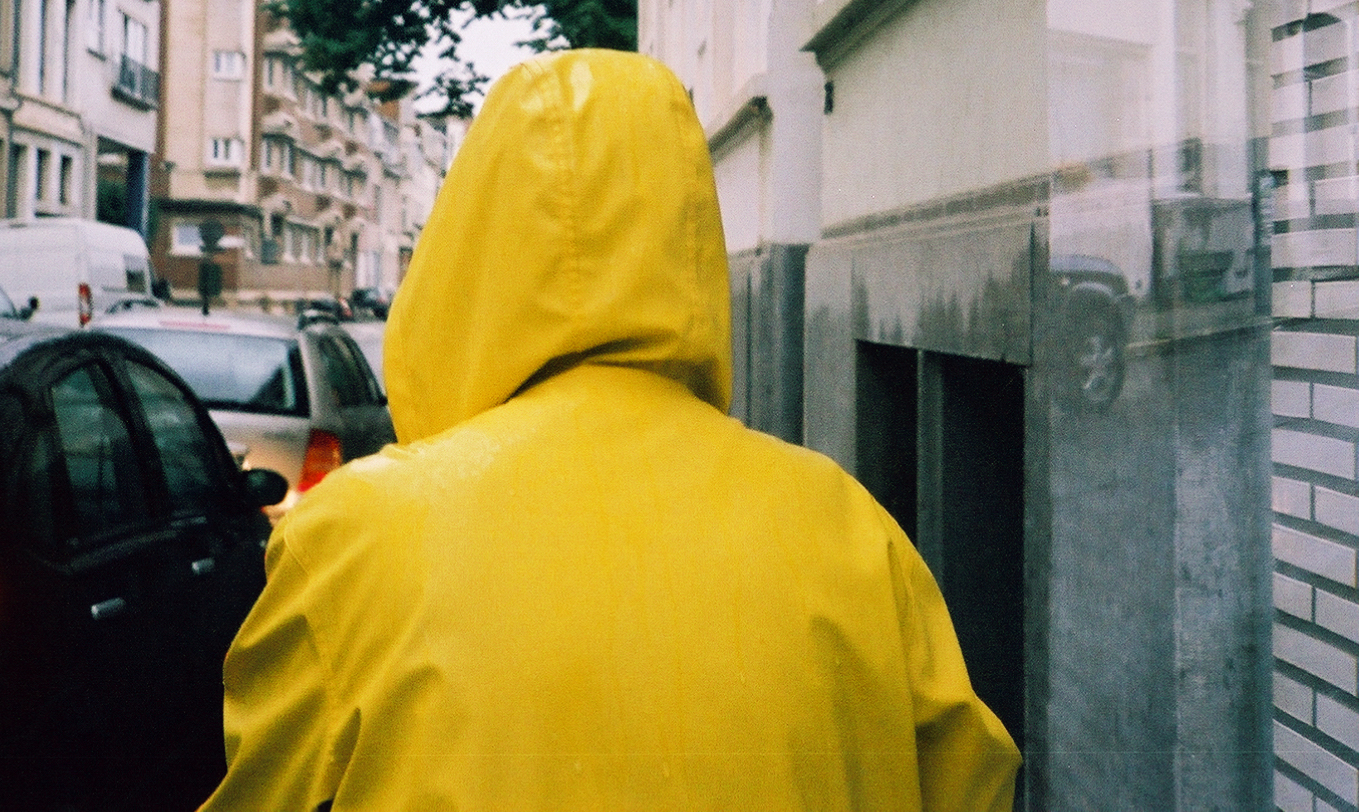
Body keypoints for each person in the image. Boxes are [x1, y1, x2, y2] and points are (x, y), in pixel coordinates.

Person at [199, 49, 1020, 812]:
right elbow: (964, 779)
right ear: (687, 236)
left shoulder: (357, 538)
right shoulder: (847, 528)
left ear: (467, 245)